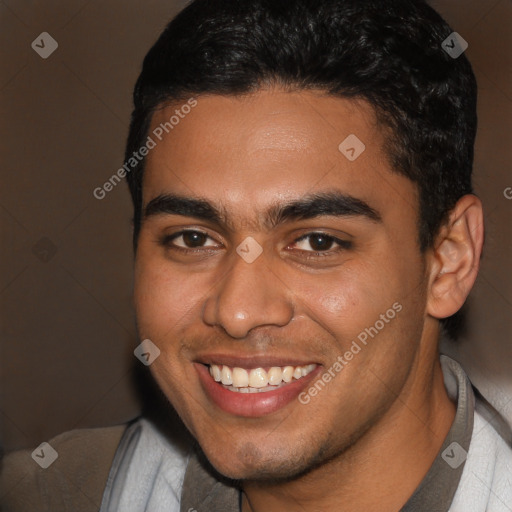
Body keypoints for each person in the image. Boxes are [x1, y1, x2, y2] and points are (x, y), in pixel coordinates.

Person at [2, 0, 511, 510]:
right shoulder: (52, 495)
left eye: (317, 242)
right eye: (193, 238)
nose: (238, 312)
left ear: (449, 259)